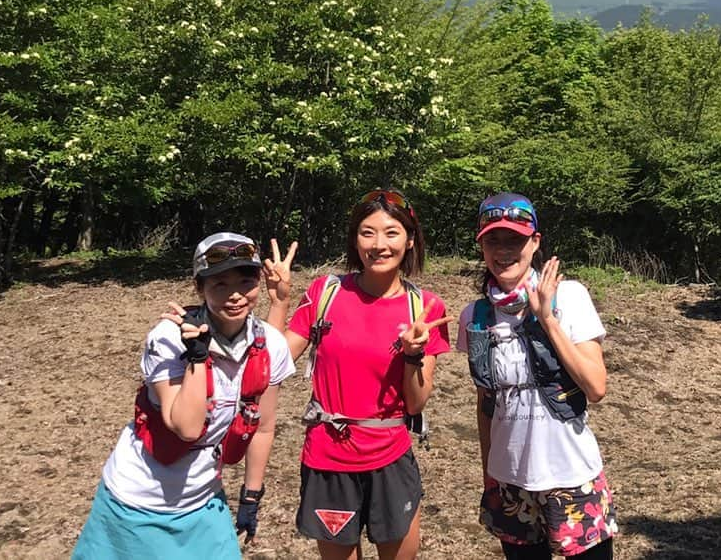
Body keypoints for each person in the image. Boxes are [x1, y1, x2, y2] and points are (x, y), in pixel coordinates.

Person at [73, 232, 297, 559]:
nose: (235, 295)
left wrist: (251, 495)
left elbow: (262, 425)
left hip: (204, 499)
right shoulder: (169, 337)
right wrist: (197, 356)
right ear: (199, 287)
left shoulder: (270, 344)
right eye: (219, 284)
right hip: (139, 502)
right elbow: (187, 427)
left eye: (246, 282)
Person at [268, 188, 451, 560]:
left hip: (390, 459)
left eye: (391, 232)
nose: (379, 244)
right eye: (367, 232)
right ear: (355, 239)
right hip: (327, 458)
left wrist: (413, 354)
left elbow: (415, 403)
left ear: (410, 239)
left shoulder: (425, 307)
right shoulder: (325, 293)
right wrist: (279, 302)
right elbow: (272, 364)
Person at [457, 193, 617, 559]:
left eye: (514, 239)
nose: (503, 250)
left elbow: (596, 387)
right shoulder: (475, 316)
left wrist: (546, 319)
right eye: (493, 240)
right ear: (481, 245)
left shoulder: (570, 297)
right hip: (509, 480)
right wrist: (489, 476)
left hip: (572, 475)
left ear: (535, 243)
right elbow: (486, 403)